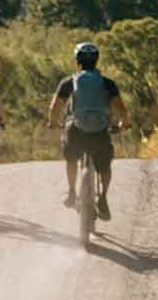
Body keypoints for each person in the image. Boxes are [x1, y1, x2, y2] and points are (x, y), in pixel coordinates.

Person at [50, 39, 125, 222]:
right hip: (100, 131)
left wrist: (53, 123)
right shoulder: (107, 83)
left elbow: (55, 108)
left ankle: (71, 192)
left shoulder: (69, 82)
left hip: (76, 130)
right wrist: (123, 123)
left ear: (77, 60)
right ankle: (103, 198)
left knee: (71, 158)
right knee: (105, 166)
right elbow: (122, 109)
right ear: (96, 60)